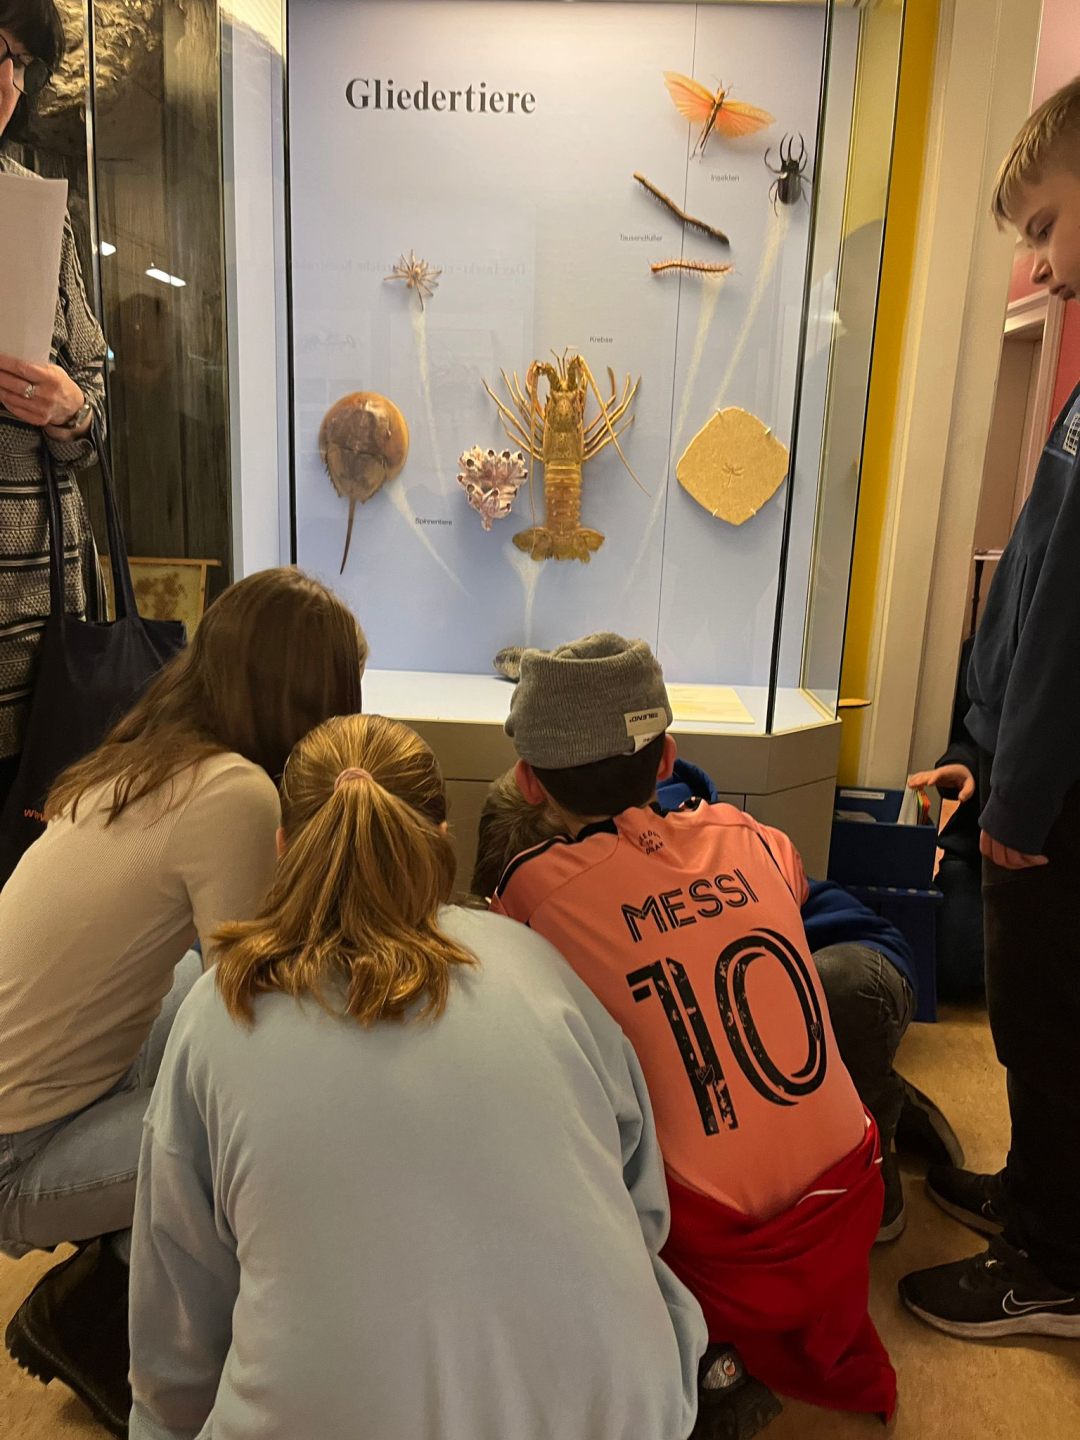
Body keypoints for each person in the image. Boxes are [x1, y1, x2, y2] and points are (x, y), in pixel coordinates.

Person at [127, 712, 707, 1440]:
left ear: (282, 847)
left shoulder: (221, 1007)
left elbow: (178, 1328)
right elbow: (639, 1204)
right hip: (631, 1412)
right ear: (441, 837)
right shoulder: (534, 962)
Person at [490, 634, 896, 1419]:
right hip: (852, 1203)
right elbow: (783, 891)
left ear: (527, 781)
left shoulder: (533, 896)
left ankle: (703, 1364)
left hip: (726, 1260)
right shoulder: (752, 836)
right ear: (668, 759)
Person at [0, 567, 367, 1435]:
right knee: (263, 1131)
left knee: (181, 992)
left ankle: (122, 1265)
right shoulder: (234, 792)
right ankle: (98, 1315)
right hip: (17, 1154)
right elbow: (260, 1006)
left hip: (43, 1089)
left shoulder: (148, 756)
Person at [474, 761, 962, 1246]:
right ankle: (855, 1083)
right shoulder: (602, 843)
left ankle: (875, 1104)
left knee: (827, 1000)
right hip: (758, 995)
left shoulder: (661, 844)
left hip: (853, 959)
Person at [900, 76, 1080, 1341]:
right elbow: (1034, 582)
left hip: (1059, 805)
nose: (1041, 261)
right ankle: (1036, 1196)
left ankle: (1057, 1265)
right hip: (1027, 773)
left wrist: (1023, 791)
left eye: (1048, 223)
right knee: (1026, 1016)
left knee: (1055, 1021)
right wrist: (981, 744)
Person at [0, 1, 109, 809]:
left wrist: (70, 406)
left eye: (21, 63)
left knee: (34, 836)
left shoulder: (33, 208)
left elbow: (95, 392)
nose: (8, 81)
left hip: (40, 614)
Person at [907, 635, 985, 1002]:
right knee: (956, 970)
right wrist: (963, 767)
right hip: (979, 850)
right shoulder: (986, 647)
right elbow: (970, 738)